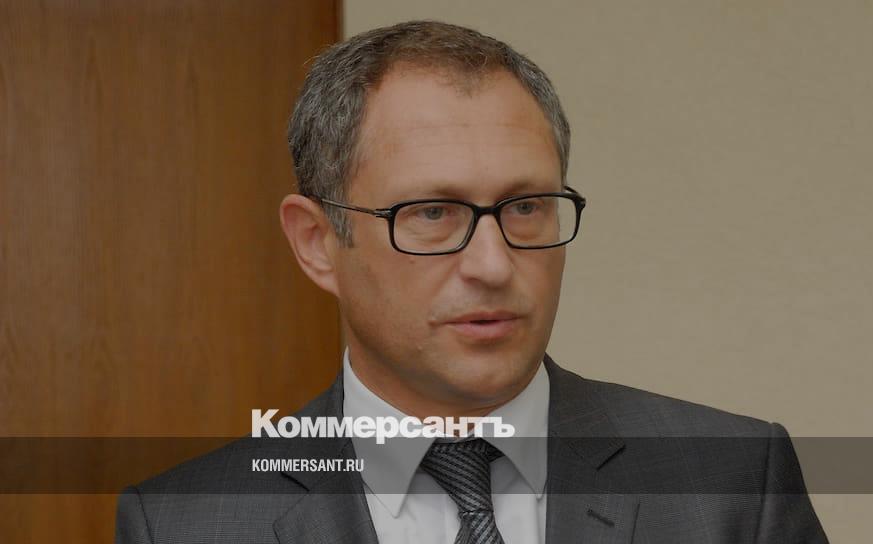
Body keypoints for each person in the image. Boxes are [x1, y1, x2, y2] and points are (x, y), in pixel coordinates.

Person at [116, 20, 828, 544]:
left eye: (526, 207)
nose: (493, 264)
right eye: (432, 213)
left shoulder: (730, 483)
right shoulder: (184, 524)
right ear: (317, 243)